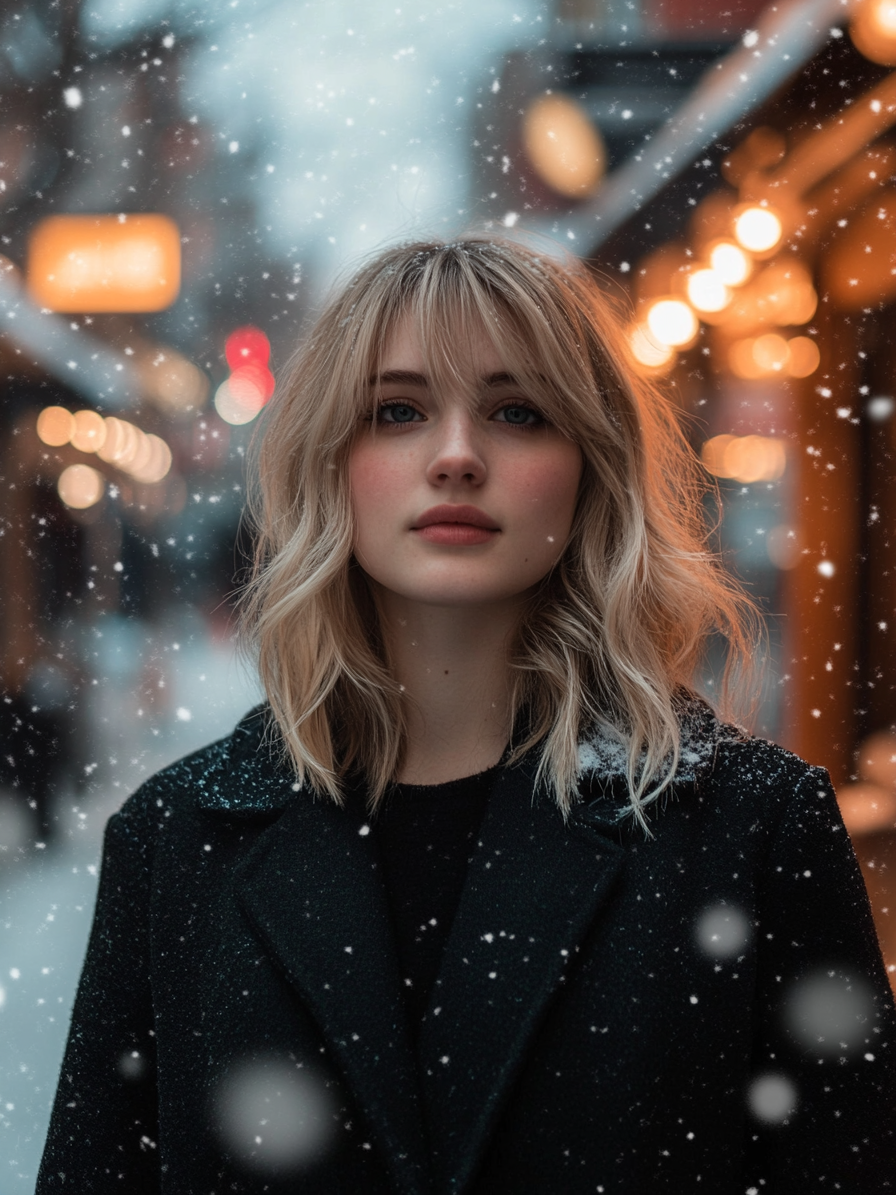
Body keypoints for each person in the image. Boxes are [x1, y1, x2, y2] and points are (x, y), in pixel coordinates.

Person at [37, 237, 896, 1194]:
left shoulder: (752, 831)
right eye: (397, 411)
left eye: (518, 412)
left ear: (590, 466)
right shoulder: (178, 839)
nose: (455, 456)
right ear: (330, 459)